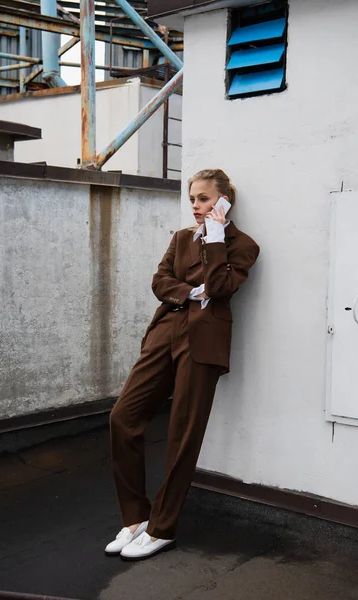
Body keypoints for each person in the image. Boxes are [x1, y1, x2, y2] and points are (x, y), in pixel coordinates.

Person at [105, 169, 260, 561]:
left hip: (204, 341)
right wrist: (192, 292)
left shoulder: (244, 246)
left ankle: (162, 527)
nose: (195, 206)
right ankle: (137, 517)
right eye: (192, 198)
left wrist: (215, 237)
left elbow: (222, 287)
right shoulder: (179, 239)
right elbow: (160, 281)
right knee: (123, 418)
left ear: (224, 201)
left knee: (182, 432)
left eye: (204, 199)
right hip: (165, 331)